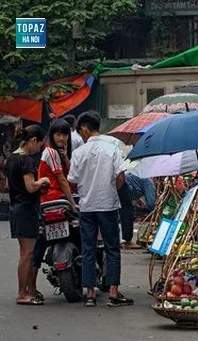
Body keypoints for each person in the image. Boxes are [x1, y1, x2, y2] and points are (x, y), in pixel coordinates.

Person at [68, 111, 133, 307]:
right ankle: (113, 292)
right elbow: (121, 177)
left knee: (88, 249)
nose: (81, 135)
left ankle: (90, 294)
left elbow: (72, 180)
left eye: (81, 132)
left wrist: (86, 188)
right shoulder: (112, 149)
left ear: (85, 129)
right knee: (112, 248)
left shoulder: (79, 153)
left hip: (87, 206)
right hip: (108, 205)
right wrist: (111, 190)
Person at [31, 119, 78, 299]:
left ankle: (31, 288)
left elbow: (72, 175)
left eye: (64, 134)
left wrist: (65, 156)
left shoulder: (58, 153)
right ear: (51, 135)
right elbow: (63, 180)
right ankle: (31, 287)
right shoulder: (50, 152)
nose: (61, 137)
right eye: (58, 134)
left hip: (50, 202)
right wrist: (72, 204)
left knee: (40, 245)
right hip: (56, 201)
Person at [4, 125, 49, 305]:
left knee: (25, 252)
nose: (39, 149)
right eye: (39, 145)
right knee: (27, 253)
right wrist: (43, 181)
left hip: (16, 208)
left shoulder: (11, 160)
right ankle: (22, 293)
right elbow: (31, 186)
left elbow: (9, 185)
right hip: (27, 210)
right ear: (33, 141)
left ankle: (28, 290)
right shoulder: (26, 161)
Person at [120, 173, 156, 249]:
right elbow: (151, 204)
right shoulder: (148, 181)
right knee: (127, 213)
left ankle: (124, 240)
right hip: (123, 186)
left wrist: (139, 200)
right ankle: (128, 241)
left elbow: (134, 187)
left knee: (123, 212)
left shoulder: (142, 175)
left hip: (122, 185)